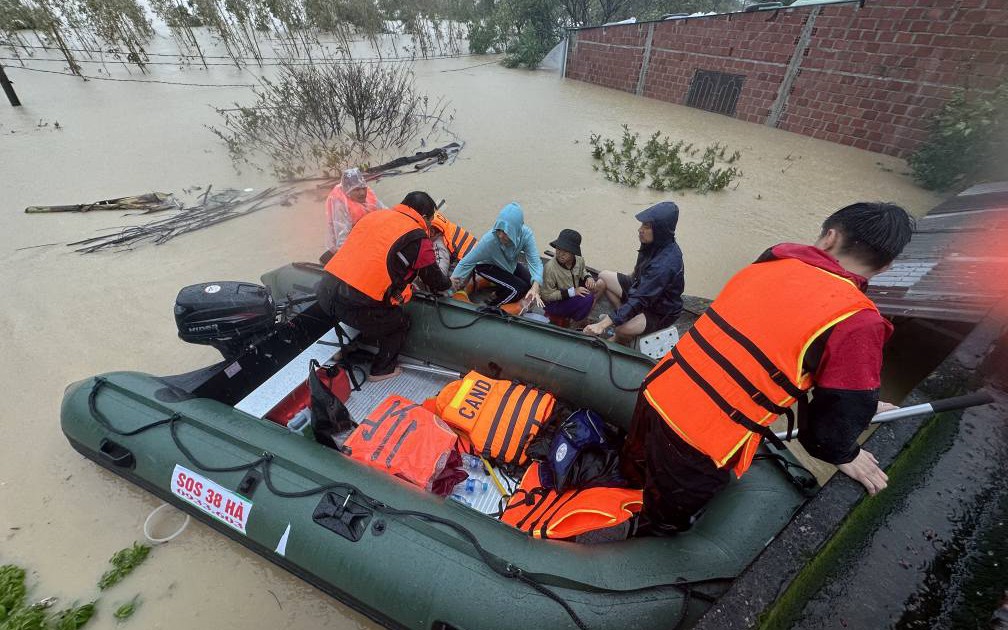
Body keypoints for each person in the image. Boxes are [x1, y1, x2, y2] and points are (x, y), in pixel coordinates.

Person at [631, 202, 914, 535]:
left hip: (658, 390)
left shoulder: (775, 258)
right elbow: (831, 423)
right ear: (886, 267)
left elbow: (769, 347)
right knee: (665, 521)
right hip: (700, 440)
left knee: (636, 472)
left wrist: (862, 406)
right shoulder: (859, 321)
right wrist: (844, 452)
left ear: (829, 238)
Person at [317, 191, 450, 381]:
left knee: (360, 303)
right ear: (426, 217)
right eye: (430, 220)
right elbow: (434, 279)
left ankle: (341, 350)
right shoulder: (418, 239)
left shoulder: (373, 216)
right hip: (355, 306)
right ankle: (382, 370)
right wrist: (448, 283)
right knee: (399, 321)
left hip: (325, 292)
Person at [583, 202, 684, 345]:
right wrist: (628, 282)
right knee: (604, 276)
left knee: (622, 329)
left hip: (658, 309)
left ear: (660, 230)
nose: (640, 230)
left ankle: (619, 338)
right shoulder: (653, 242)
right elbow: (638, 271)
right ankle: (586, 316)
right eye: (642, 225)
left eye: (646, 227)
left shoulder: (665, 265)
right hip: (642, 288)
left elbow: (640, 298)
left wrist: (601, 325)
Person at [450, 202, 544, 308]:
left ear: (516, 230)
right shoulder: (489, 241)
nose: (500, 235)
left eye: (506, 232)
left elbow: (535, 263)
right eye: (499, 230)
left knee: (529, 283)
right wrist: (451, 284)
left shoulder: (526, 235)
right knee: (518, 289)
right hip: (487, 266)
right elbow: (467, 262)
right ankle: (492, 307)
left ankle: (497, 294)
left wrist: (535, 286)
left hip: (509, 264)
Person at [541, 229, 606, 327]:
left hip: (573, 290)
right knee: (588, 298)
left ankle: (583, 316)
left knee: (601, 284)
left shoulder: (579, 260)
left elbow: (583, 271)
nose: (560, 254)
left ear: (573, 252)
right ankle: (577, 323)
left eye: (565, 252)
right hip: (556, 303)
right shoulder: (550, 268)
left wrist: (588, 278)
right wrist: (572, 292)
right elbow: (546, 296)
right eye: (558, 249)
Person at [322, 167, 384, 259]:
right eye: (357, 190)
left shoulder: (369, 195)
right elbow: (341, 238)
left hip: (364, 234)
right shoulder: (340, 205)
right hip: (346, 242)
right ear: (348, 191)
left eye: (363, 188)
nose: (362, 193)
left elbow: (385, 212)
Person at [428, 208, 478, 277]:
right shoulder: (448, 228)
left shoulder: (439, 245)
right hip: (476, 257)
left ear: (432, 232)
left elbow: (441, 273)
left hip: (471, 270)